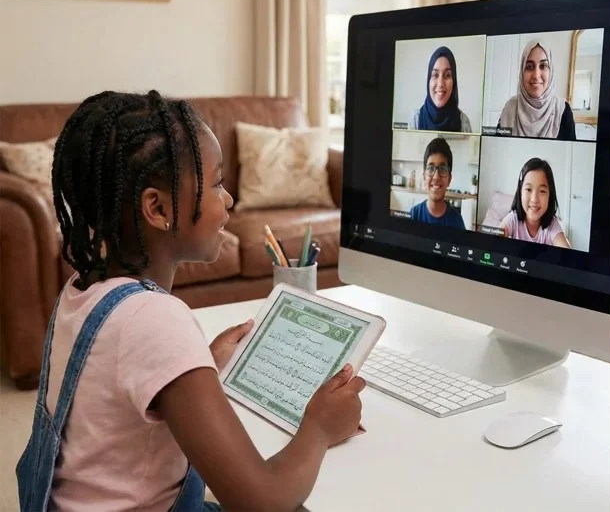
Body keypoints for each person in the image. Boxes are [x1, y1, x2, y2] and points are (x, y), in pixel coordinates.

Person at [16, 91, 366, 511]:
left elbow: (122, 381)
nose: (229, 199)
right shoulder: (156, 321)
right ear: (158, 208)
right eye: (216, 183)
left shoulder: (81, 290)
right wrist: (320, 427)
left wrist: (197, 362)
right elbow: (261, 500)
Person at [498, 40, 577, 140]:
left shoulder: (562, 110)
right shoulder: (510, 107)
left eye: (543, 66)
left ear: (551, 71)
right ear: (522, 72)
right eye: (529, 67)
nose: (536, 75)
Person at [500, 158, 570, 248]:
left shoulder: (552, 225)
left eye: (542, 191)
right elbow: (494, 237)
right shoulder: (514, 218)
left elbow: (564, 248)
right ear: (520, 191)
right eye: (529, 189)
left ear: (550, 195)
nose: (534, 199)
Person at [410, 46, 473, 133]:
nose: (440, 84)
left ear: (453, 81)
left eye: (447, 75)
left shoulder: (463, 121)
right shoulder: (416, 119)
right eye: (435, 75)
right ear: (429, 79)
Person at [409, 136, 466, 229]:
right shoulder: (413, 215)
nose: (436, 177)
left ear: (449, 179)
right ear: (424, 176)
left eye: (443, 169)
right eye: (430, 168)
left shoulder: (457, 221)